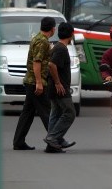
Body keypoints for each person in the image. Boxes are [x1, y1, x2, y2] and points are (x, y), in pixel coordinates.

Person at [13, 17, 56, 150]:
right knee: (47, 112)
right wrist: (39, 83)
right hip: (35, 82)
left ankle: (18, 141)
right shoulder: (42, 41)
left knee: (27, 113)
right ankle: (55, 140)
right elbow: (36, 62)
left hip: (31, 81)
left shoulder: (37, 38)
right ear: (53, 29)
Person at [44, 22, 76, 153]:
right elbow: (52, 65)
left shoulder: (58, 47)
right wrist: (58, 83)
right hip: (59, 88)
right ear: (72, 34)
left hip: (54, 87)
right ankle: (53, 138)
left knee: (56, 114)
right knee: (70, 113)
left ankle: (53, 144)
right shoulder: (61, 48)